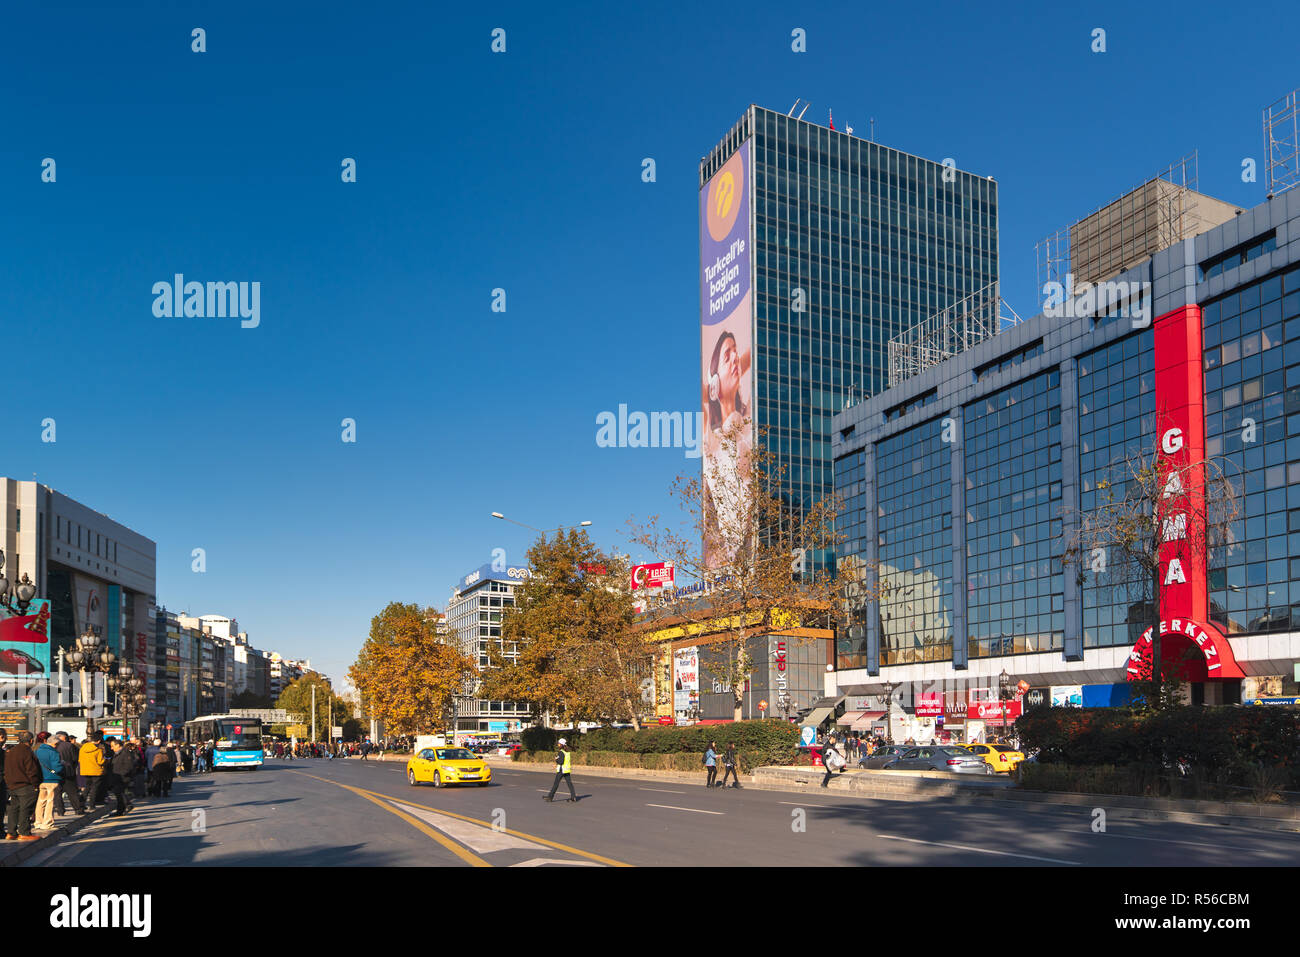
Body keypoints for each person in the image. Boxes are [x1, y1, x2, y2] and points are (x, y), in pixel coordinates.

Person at [5, 731, 43, 840]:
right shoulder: (27, 752)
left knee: (14, 808)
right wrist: (35, 784)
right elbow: (32, 770)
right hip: (26, 785)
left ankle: (11, 832)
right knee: (26, 809)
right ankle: (24, 832)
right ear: (31, 741)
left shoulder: (11, 751)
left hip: (13, 785)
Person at [34, 732, 64, 831]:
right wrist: (62, 765)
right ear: (54, 743)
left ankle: (38, 822)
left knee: (41, 801)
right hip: (52, 779)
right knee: (50, 801)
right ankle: (47, 823)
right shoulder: (53, 752)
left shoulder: (37, 751)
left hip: (41, 779)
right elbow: (56, 767)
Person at [54, 733, 83, 816]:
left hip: (57, 772)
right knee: (72, 792)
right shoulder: (69, 746)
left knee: (57, 793)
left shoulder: (53, 746)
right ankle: (78, 809)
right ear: (65, 738)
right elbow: (75, 758)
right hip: (68, 771)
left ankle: (60, 810)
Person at [106, 739, 136, 816]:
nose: (111, 748)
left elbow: (129, 766)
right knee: (119, 794)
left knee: (119, 793)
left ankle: (121, 810)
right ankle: (125, 806)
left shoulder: (125, 753)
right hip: (116, 777)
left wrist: (121, 774)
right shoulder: (116, 753)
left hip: (122, 778)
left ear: (118, 745)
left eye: (112, 746)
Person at [79, 731, 107, 809]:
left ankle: (82, 804)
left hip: (85, 770)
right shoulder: (98, 750)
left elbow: (80, 759)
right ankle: (91, 805)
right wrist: (106, 760)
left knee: (87, 788)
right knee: (94, 788)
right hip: (96, 771)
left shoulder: (83, 748)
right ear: (98, 741)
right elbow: (100, 761)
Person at [543, 738, 577, 803]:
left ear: (562, 745)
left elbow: (561, 762)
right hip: (566, 770)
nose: (558, 745)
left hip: (561, 770)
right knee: (569, 784)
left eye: (559, 744)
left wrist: (556, 759)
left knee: (556, 784)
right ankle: (573, 797)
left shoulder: (561, 752)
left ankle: (550, 797)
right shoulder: (567, 752)